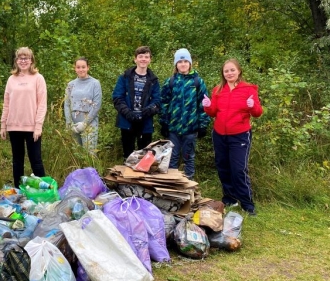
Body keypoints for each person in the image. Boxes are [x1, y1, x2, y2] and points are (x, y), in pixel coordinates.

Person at [203, 58, 263, 215]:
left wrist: (253, 106)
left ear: (239, 71)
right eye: (226, 71)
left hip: (240, 135)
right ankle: (229, 198)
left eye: (232, 70)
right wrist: (207, 106)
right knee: (223, 167)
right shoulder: (218, 90)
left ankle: (247, 204)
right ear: (223, 74)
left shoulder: (249, 89)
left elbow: (257, 113)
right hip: (219, 135)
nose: (229, 73)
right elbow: (213, 112)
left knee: (238, 169)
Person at [159, 48, 211, 180]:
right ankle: (172, 185)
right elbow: (164, 103)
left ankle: (189, 187)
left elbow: (203, 104)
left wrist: (203, 124)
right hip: (173, 128)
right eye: (180, 61)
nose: (183, 64)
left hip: (191, 128)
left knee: (189, 158)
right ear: (176, 64)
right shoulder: (170, 82)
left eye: (185, 61)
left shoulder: (198, 82)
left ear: (190, 63)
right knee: (172, 157)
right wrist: (164, 123)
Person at [0, 47, 47, 188]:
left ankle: (44, 192)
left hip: (32, 127)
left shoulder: (38, 78)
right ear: (16, 61)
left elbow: (42, 104)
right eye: (20, 58)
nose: (23, 61)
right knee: (17, 161)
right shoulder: (11, 79)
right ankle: (19, 190)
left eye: (26, 58)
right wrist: (3, 124)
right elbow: (6, 103)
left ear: (31, 60)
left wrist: (38, 126)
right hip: (14, 126)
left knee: (36, 161)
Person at [112, 46, 161, 159]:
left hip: (145, 122)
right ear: (135, 59)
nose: (143, 59)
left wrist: (146, 112)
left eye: (146, 57)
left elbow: (157, 101)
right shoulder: (125, 77)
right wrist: (128, 113)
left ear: (150, 60)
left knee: (144, 157)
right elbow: (117, 97)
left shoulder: (153, 80)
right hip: (127, 121)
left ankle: (142, 176)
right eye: (140, 56)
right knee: (128, 155)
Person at [64, 57, 102, 153]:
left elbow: (96, 105)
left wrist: (85, 123)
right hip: (74, 123)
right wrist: (69, 123)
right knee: (77, 153)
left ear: (88, 67)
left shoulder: (95, 83)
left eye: (83, 67)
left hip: (89, 123)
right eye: (78, 67)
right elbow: (67, 104)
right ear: (75, 68)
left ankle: (91, 168)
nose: (81, 70)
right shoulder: (70, 84)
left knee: (90, 154)